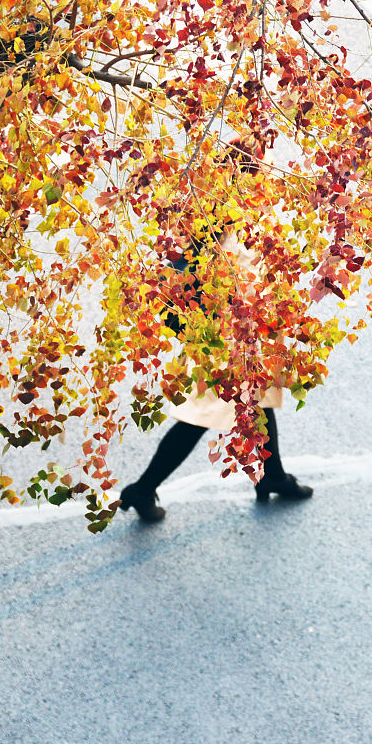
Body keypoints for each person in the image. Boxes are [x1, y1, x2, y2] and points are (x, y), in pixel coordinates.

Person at [118, 145, 313, 522]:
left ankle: (271, 476)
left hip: (237, 336)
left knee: (256, 402)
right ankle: (142, 489)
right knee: (201, 415)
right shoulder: (226, 229)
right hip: (230, 338)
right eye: (261, 177)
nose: (269, 185)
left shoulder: (212, 213)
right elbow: (240, 282)